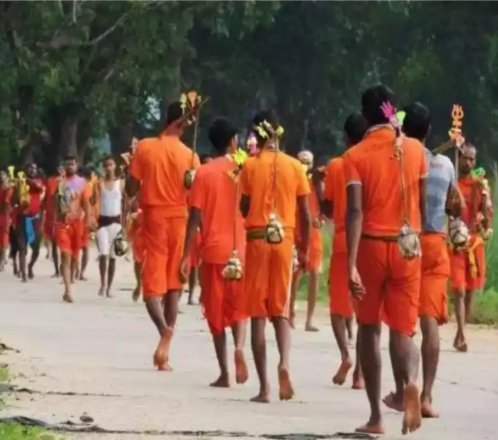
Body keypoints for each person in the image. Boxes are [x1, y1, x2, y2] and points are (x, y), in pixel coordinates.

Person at [344, 85, 427, 435]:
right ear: (392, 109)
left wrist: (350, 263)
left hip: (372, 247)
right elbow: (422, 203)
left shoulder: (355, 155)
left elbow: (355, 211)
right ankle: (410, 382)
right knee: (402, 328)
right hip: (408, 246)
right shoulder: (415, 149)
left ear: (365, 115)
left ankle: (376, 417)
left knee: (368, 328)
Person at [378, 102, 460, 419]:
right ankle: (426, 396)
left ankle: (404, 389)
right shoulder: (445, 165)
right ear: (428, 130)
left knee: (400, 322)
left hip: (407, 241)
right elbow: (454, 204)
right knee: (429, 321)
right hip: (436, 241)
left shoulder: (400, 159)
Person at [239, 110, 311, 403]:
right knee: (280, 310)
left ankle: (264, 388)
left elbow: (244, 207)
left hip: (257, 239)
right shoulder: (295, 166)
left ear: (256, 135)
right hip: (284, 241)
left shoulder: (249, 165)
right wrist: (304, 248)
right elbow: (305, 213)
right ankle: (284, 363)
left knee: (257, 315)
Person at [127, 101, 200, 371]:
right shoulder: (191, 156)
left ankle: (163, 331)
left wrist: (130, 171)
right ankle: (165, 352)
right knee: (173, 285)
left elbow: (131, 188)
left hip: (154, 216)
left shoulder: (145, 147)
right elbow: (194, 198)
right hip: (180, 218)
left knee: (152, 286)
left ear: (165, 119)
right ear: (183, 123)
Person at [181, 119, 248, 387]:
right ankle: (240, 347)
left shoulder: (204, 173)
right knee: (239, 307)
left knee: (216, 313)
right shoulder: (245, 169)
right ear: (232, 141)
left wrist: (186, 255)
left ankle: (224, 372)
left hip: (212, 251)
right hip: (241, 249)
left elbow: (194, 218)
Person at [323, 113, 368, 389]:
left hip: (343, 240)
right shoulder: (371, 162)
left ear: (345, 136)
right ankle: (360, 373)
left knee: (338, 307)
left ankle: (345, 354)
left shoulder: (336, 165)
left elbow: (328, 206)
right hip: (368, 241)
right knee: (365, 312)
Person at [450, 144, 493, 352]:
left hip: (474, 242)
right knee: (459, 289)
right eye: (464, 158)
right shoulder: (452, 183)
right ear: (458, 159)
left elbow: (487, 218)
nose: (468, 162)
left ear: (475, 162)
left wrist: (485, 199)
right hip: (456, 243)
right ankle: (462, 333)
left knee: (469, 291)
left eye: (471, 159)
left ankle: (461, 331)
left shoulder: (480, 185)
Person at [289, 150, 323, 332]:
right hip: (296, 229)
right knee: (294, 274)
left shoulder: (316, 183)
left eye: (308, 162)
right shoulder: (293, 181)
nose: (305, 166)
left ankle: (309, 319)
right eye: (302, 162)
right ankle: (290, 314)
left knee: (315, 273)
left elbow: (324, 203)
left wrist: (321, 218)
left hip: (314, 232)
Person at [55, 156, 92, 303]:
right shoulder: (59, 182)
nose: (70, 166)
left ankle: (70, 280)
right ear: (64, 166)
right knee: (65, 255)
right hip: (63, 224)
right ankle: (67, 291)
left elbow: (86, 203)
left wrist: (88, 219)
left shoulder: (82, 183)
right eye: (68, 164)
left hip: (77, 224)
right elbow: (55, 203)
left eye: (73, 164)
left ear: (77, 166)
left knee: (74, 257)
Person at [186, 154, 213, 305]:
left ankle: (201, 292)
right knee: (190, 263)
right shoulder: (193, 183)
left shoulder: (215, 185)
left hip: (209, 228)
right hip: (192, 227)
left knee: (201, 264)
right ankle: (184, 294)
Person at [96, 155, 124, 298]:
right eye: (106, 165)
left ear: (115, 166)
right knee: (103, 254)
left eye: (110, 165)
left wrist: (125, 225)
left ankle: (109, 287)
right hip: (103, 223)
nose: (108, 168)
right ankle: (103, 283)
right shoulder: (99, 183)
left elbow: (125, 204)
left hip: (116, 223)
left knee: (113, 257)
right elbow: (93, 201)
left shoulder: (120, 183)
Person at [13, 163, 45, 281]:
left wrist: (25, 180)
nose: (32, 170)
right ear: (25, 170)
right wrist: (18, 189)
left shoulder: (39, 181)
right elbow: (14, 200)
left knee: (36, 249)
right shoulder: (18, 183)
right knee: (22, 247)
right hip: (21, 218)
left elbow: (38, 187)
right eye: (30, 168)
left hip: (35, 219)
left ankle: (30, 265)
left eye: (35, 168)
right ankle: (23, 273)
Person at [43, 165, 64, 277]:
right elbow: (48, 196)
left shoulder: (71, 181)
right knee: (55, 244)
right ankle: (57, 270)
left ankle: (66, 268)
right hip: (53, 215)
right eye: (59, 168)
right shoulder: (51, 181)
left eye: (63, 168)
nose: (61, 170)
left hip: (65, 216)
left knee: (65, 246)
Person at [78, 168, 98, 281]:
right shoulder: (85, 186)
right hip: (82, 219)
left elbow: (93, 201)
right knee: (84, 248)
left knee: (83, 247)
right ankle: (79, 272)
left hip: (84, 220)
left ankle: (78, 272)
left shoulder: (89, 186)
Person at [127, 196, 144, 302]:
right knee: (138, 262)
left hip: (153, 234)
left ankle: (147, 288)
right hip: (139, 238)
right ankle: (139, 284)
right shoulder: (136, 200)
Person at [0, 169, 13, 271]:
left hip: (5, 216)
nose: (1, 177)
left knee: (4, 240)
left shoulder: (9, 189)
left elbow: (7, 203)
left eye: (3, 175)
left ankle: (2, 260)